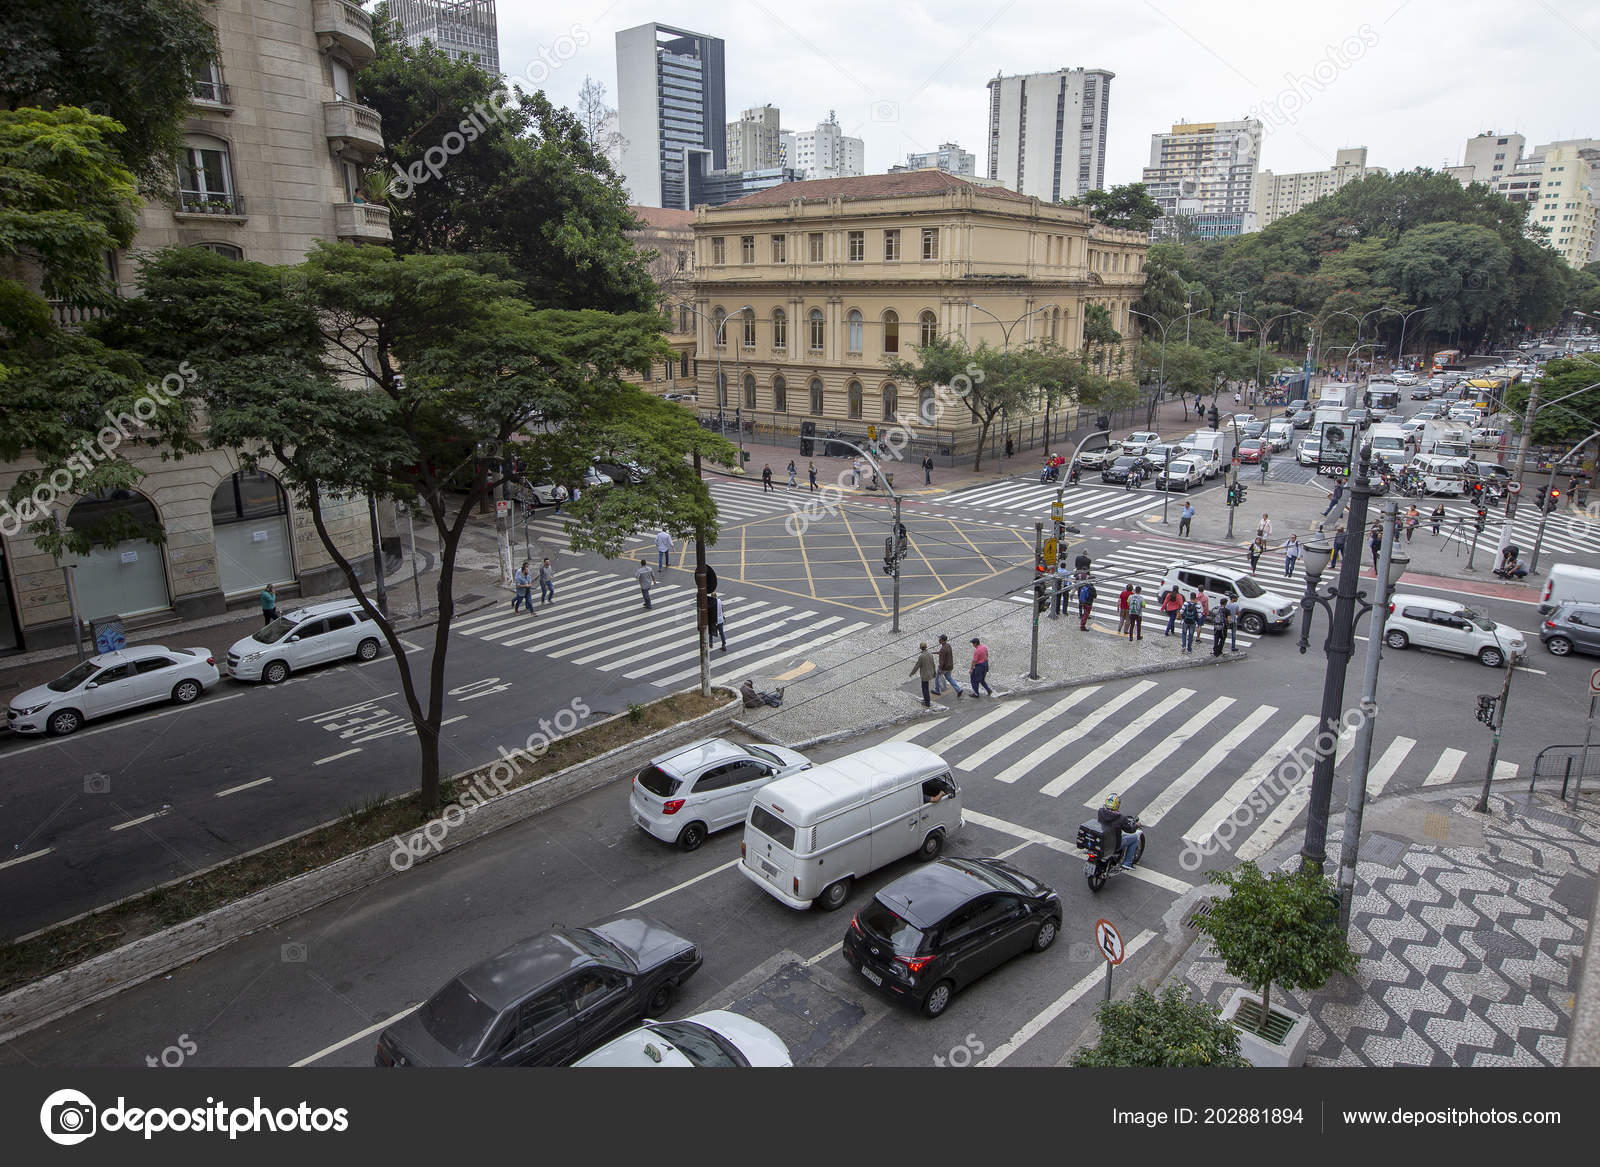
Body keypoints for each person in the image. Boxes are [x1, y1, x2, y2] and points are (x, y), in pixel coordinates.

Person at [1098, 794, 1142, 871]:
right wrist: (1136, 825)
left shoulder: (1100, 811)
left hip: (1103, 839)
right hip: (1114, 844)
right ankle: (1127, 863)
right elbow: (1130, 830)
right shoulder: (1121, 818)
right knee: (1134, 838)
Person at [909, 643, 937, 707]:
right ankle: (927, 700)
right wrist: (934, 672)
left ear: (920, 648)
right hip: (930, 673)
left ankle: (927, 703)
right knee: (926, 687)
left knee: (925, 689)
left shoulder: (921, 656)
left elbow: (917, 666)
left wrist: (912, 673)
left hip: (924, 675)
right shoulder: (930, 654)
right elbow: (933, 664)